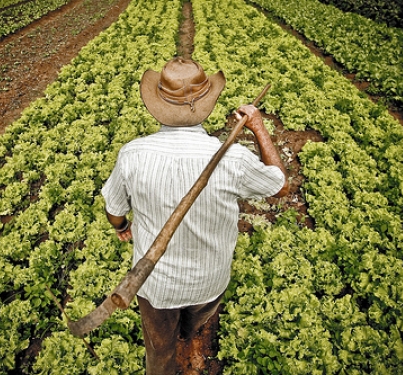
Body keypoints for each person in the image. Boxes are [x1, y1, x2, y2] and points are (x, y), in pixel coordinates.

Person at [101, 57, 289, 375]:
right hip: (209, 280)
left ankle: (166, 360)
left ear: (158, 103)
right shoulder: (233, 158)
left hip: (155, 287)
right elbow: (279, 187)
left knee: (159, 350)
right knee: (196, 319)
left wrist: (123, 226)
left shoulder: (132, 155)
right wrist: (257, 127)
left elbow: (114, 210)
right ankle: (189, 336)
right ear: (208, 103)